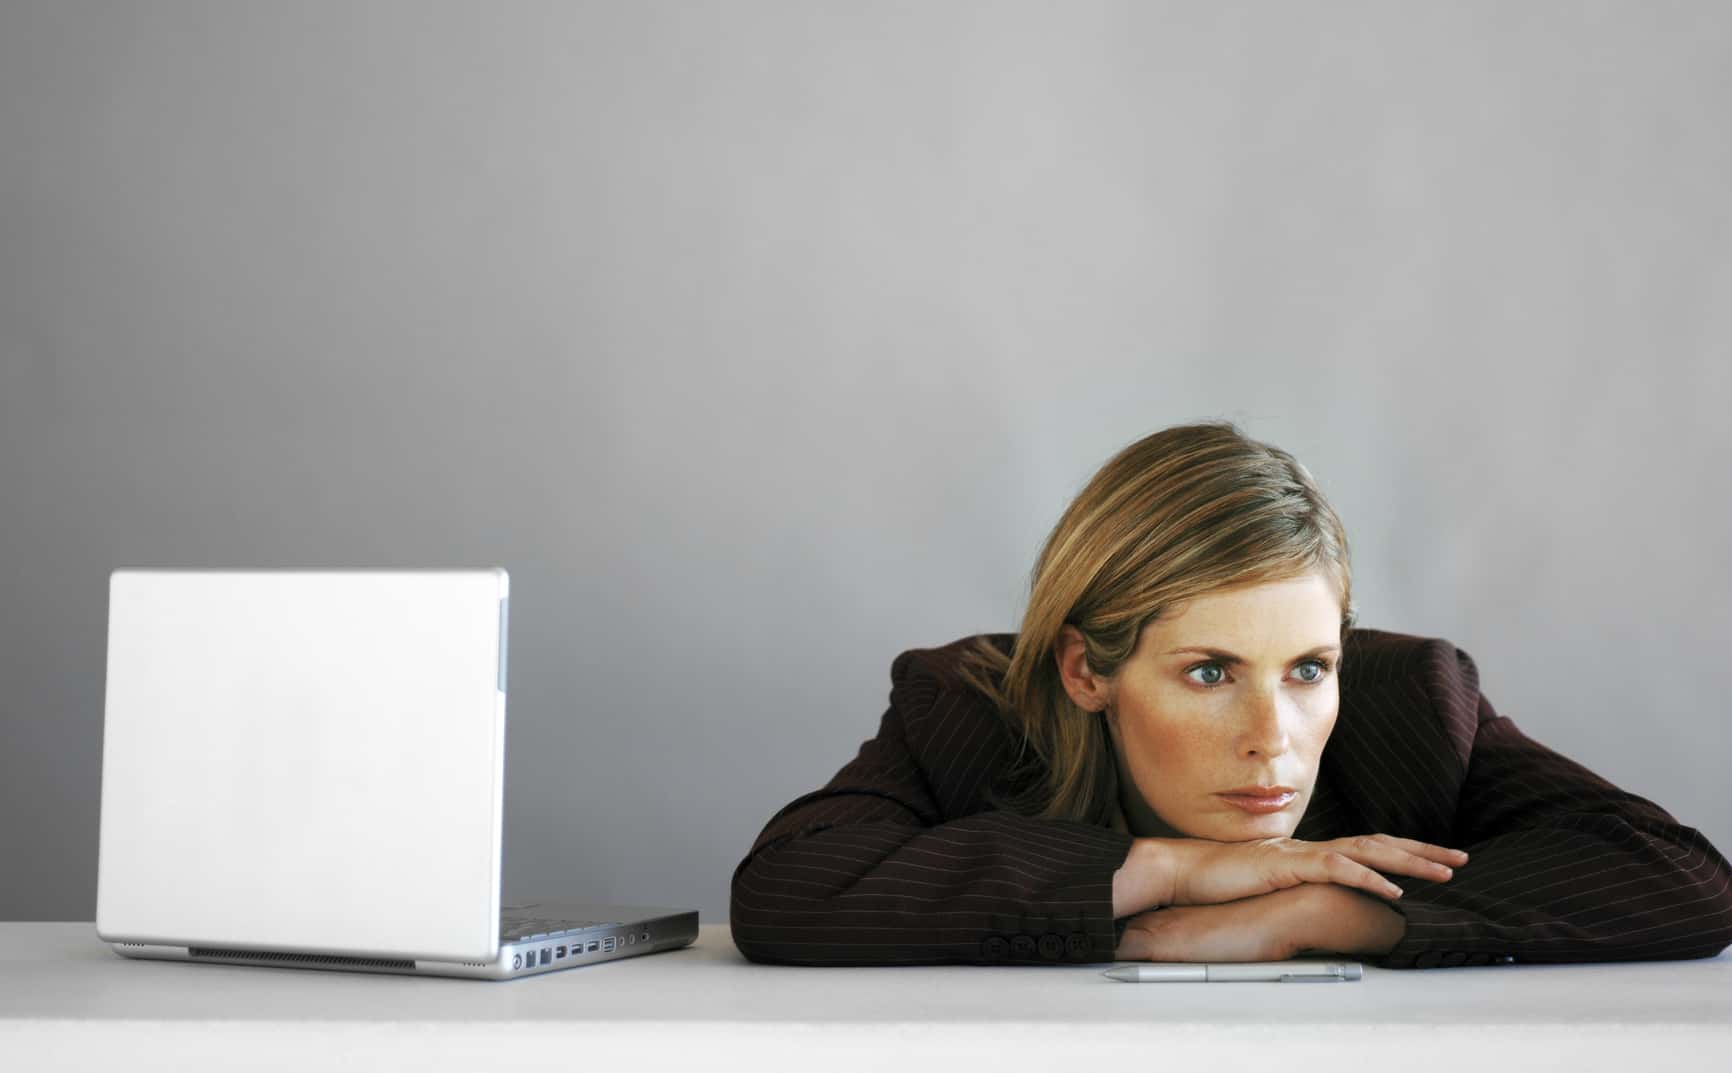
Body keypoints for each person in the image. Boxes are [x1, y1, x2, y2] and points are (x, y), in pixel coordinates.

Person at [728, 421, 1732, 968]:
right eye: (1209, 671)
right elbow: (783, 894)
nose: (1274, 739)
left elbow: (1681, 877)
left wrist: (1325, 914)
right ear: (1085, 669)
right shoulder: (966, 706)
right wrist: (1169, 872)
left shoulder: (1411, 702)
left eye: (1307, 669)